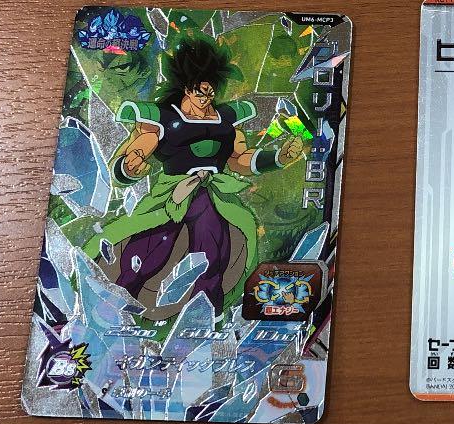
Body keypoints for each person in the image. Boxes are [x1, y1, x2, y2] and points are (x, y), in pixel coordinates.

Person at [87, 37, 306, 318]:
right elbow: (132, 156)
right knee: (150, 246)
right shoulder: (160, 118)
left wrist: (278, 157)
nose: (205, 97)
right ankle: (120, 301)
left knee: (220, 247)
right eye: (199, 90)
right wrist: (130, 167)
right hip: (171, 194)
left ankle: (205, 311)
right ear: (186, 86)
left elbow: (239, 160)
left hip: (216, 195)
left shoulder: (227, 119)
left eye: (210, 90)